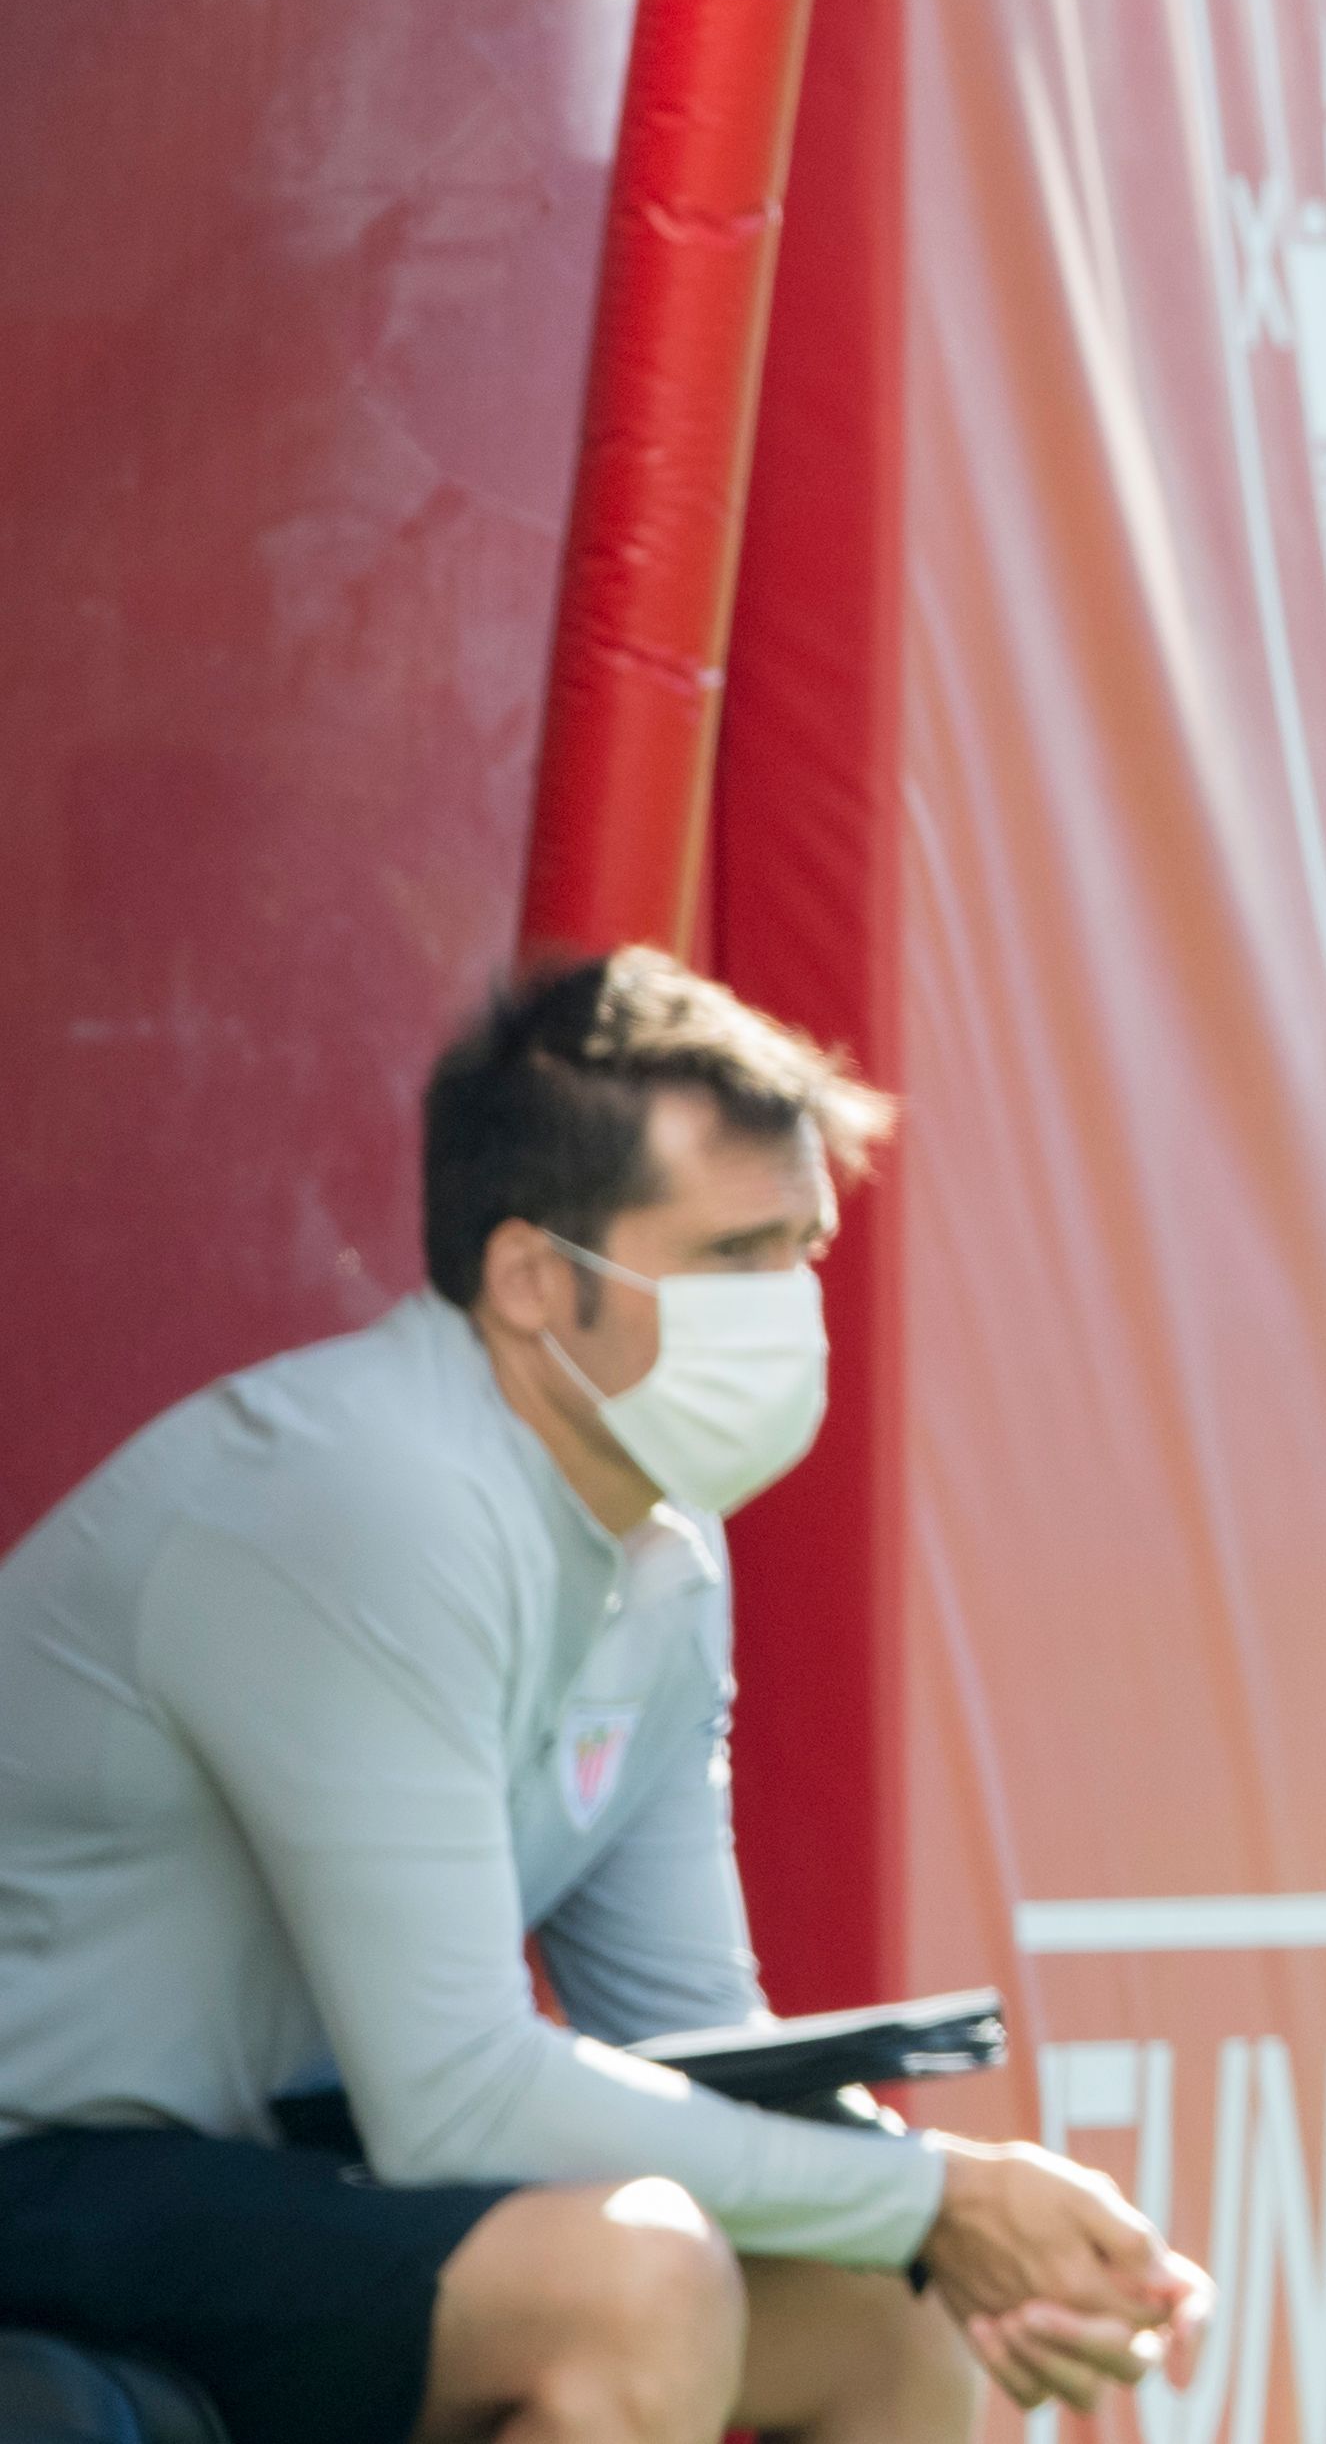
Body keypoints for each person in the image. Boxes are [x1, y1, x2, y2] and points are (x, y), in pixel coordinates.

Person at [0, 951, 1211, 2444]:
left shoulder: (667, 1555)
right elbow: (454, 2097)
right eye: (731, 1258)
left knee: (891, 2322)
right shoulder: (372, 1499)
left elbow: (691, 2034)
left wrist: (988, 2233)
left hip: (278, 2174)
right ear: (530, 1282)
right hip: (44, 2165)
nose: (789, 1310)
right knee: (637, 2278)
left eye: (805, 1251)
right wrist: (933, 2196)